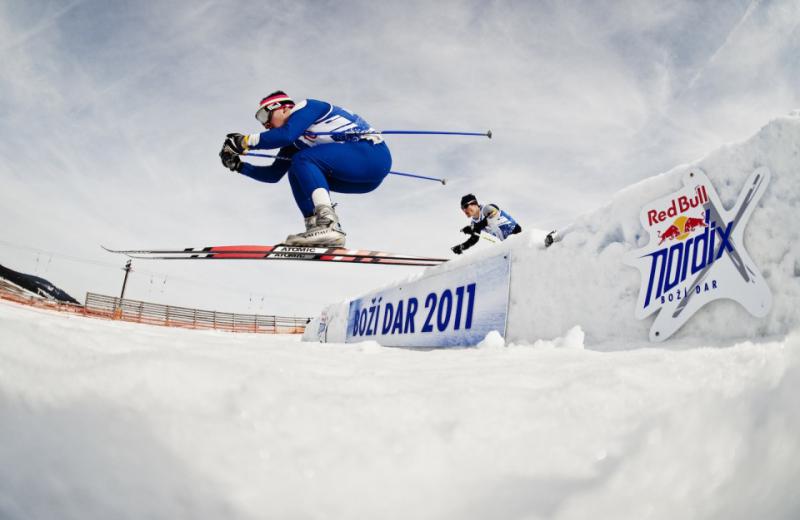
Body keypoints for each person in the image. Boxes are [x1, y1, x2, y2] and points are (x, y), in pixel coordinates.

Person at [219, 91, 392, 246]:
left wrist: (245, 141)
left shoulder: (307, 107)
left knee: (302, 159)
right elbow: (273, 175)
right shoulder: (295, 142)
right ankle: (317, 228)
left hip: (372, 155)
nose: (265, 125)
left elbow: (284, 134)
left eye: (265, 116)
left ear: (283, 108)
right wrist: (239, 166)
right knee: (296, 169)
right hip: (363, 178)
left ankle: (329, 223)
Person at [451, 194, 521, 254]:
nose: (464, 210)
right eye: (462, 208)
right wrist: (462, 247)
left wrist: (472, 228)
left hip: (517, 236)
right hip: (508, 242)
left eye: (466, 206)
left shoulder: (488, 208)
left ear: (474, 203)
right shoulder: (474, 222)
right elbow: (474, 238)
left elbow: (488, 220)